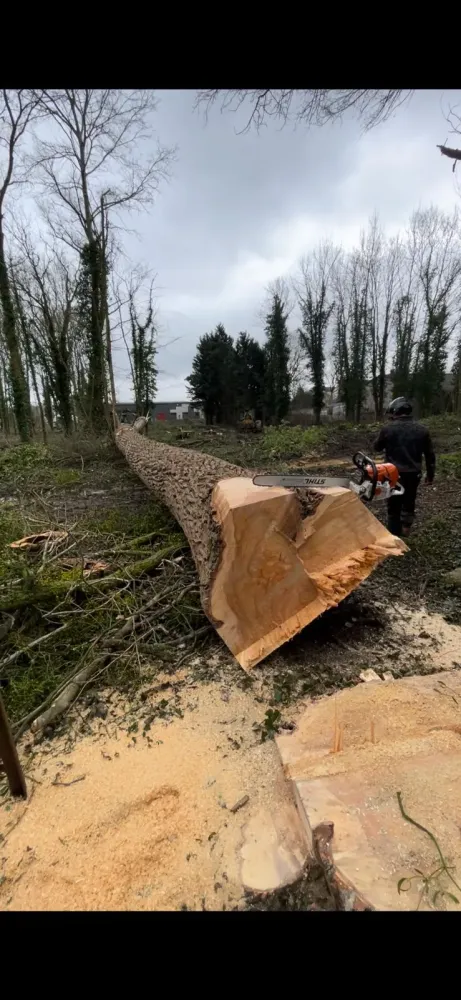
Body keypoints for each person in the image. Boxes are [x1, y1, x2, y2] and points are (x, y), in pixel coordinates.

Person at [373, 397, 436, 538]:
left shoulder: (388, 428)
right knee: (409, 500)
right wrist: (430, 475)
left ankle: (393, 535)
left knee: (393, 505)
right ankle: (406, 529)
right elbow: (430, 455)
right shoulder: (422, 429)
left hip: (392, 473)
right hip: (413, 473)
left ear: (395, 411)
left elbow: (377, 447)